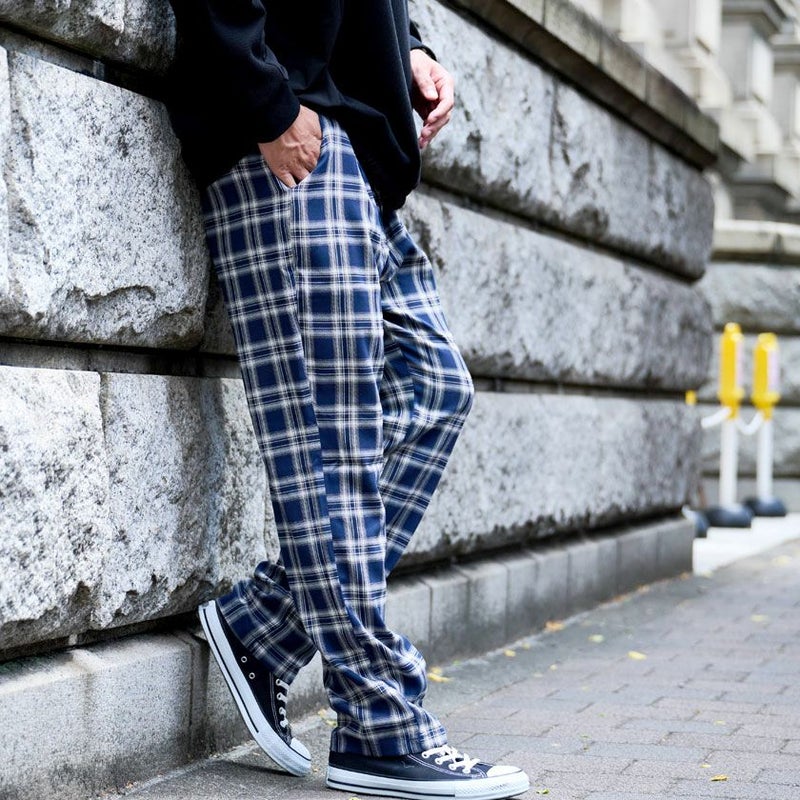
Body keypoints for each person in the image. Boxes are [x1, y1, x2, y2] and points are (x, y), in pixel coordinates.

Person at [165, 3, 530, 798]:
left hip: (357, 148)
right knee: (331, 455)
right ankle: (378, 724)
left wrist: (409, 47)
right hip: (287, 138)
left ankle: (265, 624)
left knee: (437, 388)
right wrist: (267, 101)